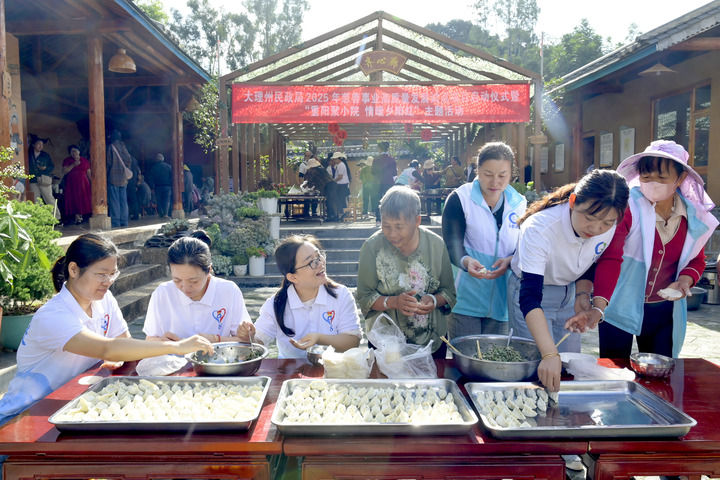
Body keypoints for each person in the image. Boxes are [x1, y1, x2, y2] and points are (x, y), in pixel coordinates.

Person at [0, 234, 213, 423]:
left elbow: (123, 343)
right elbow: (108, 349)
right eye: (102, 274)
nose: (108, 281)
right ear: (73, 270)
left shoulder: (104, 300)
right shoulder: (53, 315)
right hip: (25, 415)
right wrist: (175, 347)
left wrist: (139, 350)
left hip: (73, 406)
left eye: (113, 274)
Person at [567, 140, 718, 359]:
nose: (653, 183)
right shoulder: (629, 207)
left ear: (680, 178)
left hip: (663, 311)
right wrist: (598, 304)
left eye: (662, 178)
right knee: (613, 368)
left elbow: (696, 259)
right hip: (618, 305)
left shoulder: (693, 217)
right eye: (646, 177)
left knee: (660, 367)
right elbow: (611, 256)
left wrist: (685, 281)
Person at [507, 169, 629, 391]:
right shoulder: (540, 228)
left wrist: (583, 295)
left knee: (569, 366)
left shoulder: (610, 224)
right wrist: (549, 354)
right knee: (537, 367)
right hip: (533, 296)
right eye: (589, 218)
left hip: (569, 292)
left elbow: (590, 258)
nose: (596, 229)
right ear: (573, 201)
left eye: (607, 223)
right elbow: (529, 297)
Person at [356, 186, 456, 358]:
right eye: (386, 226)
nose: (392, 234)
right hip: (386, 343)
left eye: (399, 226)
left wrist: (433, 300)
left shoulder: (436, 245)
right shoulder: (372, 247)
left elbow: (449, 292)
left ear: (417, 221)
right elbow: (365, 297)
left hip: (431, 342)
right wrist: (393, 302)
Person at [442, 142, 527, 338]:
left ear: (511, 174)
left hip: (502, 301)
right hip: (465, 299)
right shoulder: (460, 199)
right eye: (488, 174)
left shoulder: (519, 204)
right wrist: (465, 261)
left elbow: (524, 246)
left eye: (502, 175)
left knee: (495, 355)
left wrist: (510, 260)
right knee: (465, 353)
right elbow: (452, 243)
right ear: (477, 170)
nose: (495, 182)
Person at [254, 235, 362, 358]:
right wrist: (248, 337)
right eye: (311, 262)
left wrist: (319, 338)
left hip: (333, 367)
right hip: (290, 368)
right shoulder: (276, 304)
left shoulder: (341, 295)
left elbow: (353, 341)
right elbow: (258, 343)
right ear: (293, 277)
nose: (320, 263)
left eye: (319, 256)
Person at [144, 231, 254, 343]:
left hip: (217, 354)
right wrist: (168, 344)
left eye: (194, 281)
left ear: (209, 270)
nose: (185, 288)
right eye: (177, 280)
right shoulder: (163, 293)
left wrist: (215, 340)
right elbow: (150, 340)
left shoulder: (228, 291)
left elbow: (246, 341)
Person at [106, 130, 134, 228]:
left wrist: (106, 174)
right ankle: (124, 221)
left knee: (114, 201)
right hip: (123, 178)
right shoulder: (123, 147)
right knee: (123, 201)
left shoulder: (111, 147)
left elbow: (108, 163)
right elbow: (129, 160)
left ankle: (116, 222)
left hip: (113, 177)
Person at [61, 145, 92, 225]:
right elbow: (64, 171)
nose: (74, 153)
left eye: (75, 151)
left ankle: (83, 216)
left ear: (79, 151)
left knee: (83, 199)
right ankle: (77, 217)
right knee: (74, 200)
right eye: (72, 151)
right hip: (72, 184)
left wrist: (92, 182)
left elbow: (89, 173)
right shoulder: (67, 160)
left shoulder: (84, 160)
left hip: (83, 184)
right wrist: (73, 165)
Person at [372, 141, 398, 223]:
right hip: (389, 182)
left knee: (378, 199)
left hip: (378, 182)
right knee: (389, 199)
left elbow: (373, 172)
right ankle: (390, 217)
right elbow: (395, 173)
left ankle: (378, 218)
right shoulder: (391, 159)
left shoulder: (376, 159)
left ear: (380, 149)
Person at [27, 135, 56, 208]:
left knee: (49, 199)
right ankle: (39, 215)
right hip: (33, 180)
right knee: (35, 200)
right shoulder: (28, 154)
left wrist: (45, 168)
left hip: (44, 179)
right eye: (39, 144)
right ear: (33, 145)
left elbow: (52, 166)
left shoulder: (45, 155)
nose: (41, 146)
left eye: (42, 144)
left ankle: (56, 215)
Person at [148, 153, 173, 218]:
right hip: (167, 186)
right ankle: (166, 214)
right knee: (167, 200)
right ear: (163, 159)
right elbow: (172, 177)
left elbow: (151, 178)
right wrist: (171, 184)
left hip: (157, 187)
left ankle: (161, 214)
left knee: (159, 201)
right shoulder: (168, 166)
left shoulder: (154, 168)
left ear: (156, 159)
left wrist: (152, 187)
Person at [328, 152, 350, 220]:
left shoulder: (341, 165)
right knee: (341, 199)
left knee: (342, 200)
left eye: (335, 159)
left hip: (342, 184)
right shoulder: (339, 165)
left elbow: (340, 177)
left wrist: (333, 181)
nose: (334, 160)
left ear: (338, 159)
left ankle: (344, 214)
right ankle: (343, 214)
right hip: (341, 184)